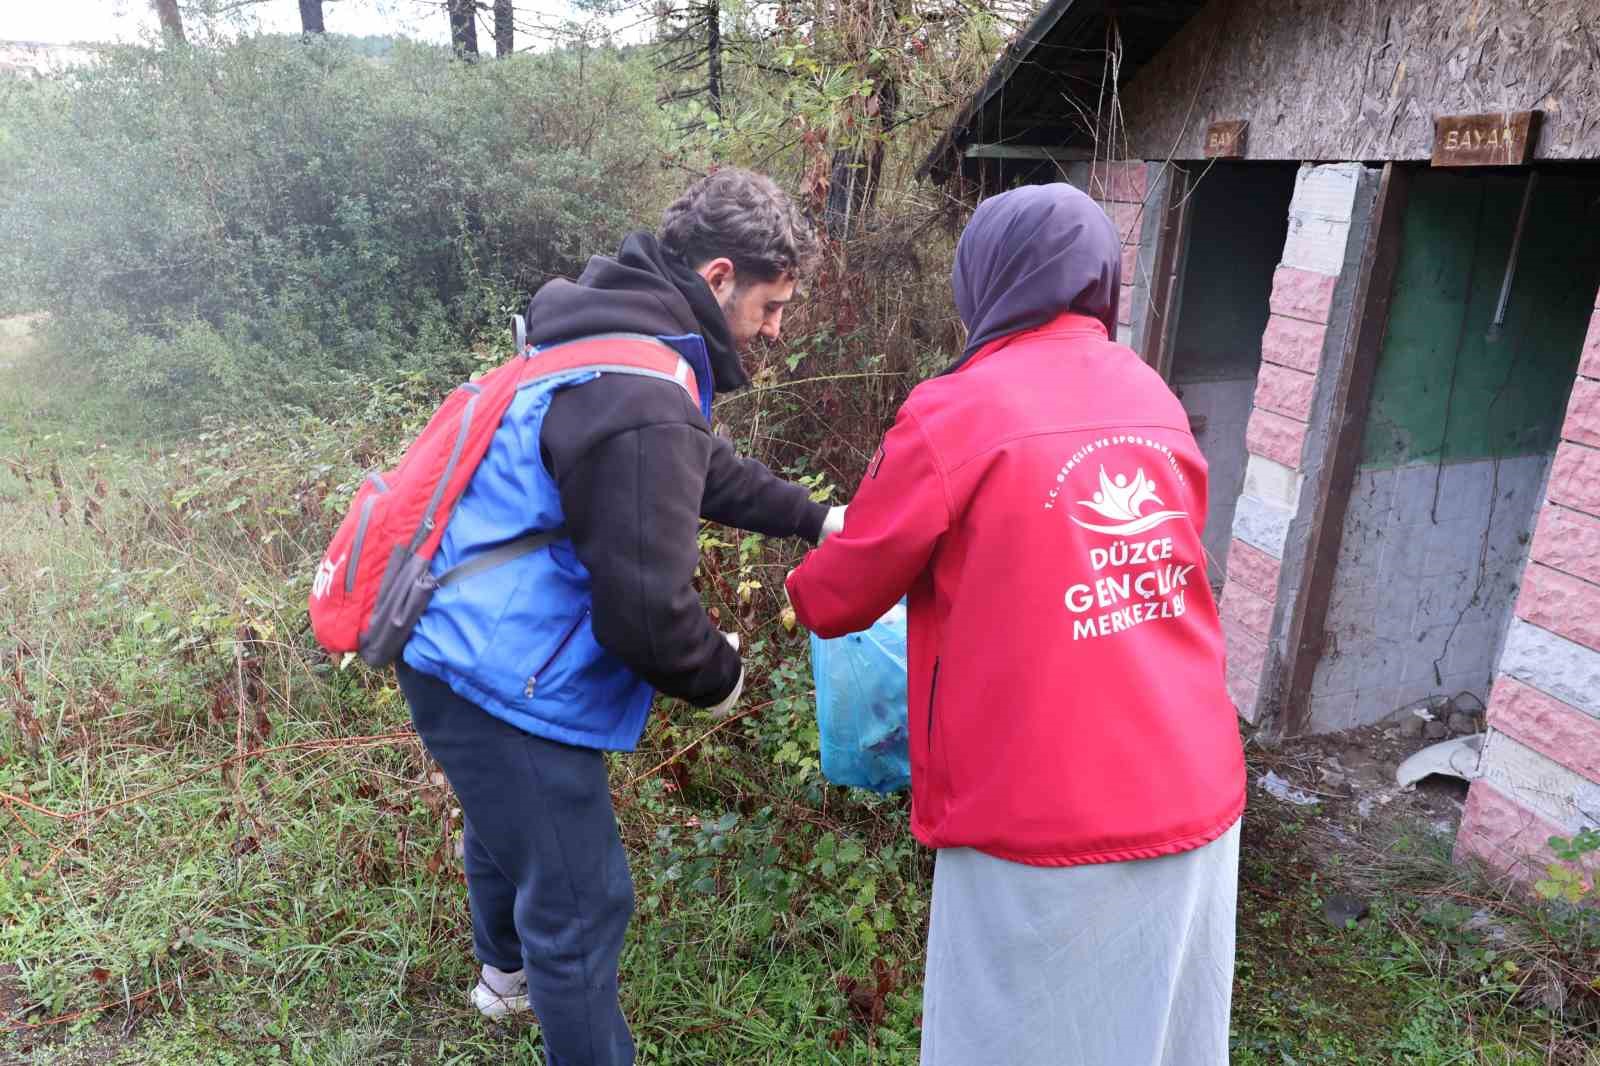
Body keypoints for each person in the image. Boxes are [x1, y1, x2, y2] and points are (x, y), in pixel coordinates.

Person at [784, 182, 1247, 1066]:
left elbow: (834, 599)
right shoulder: (1149, 391)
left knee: (1011, 1040)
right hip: (1197, 791)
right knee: (1154, 1037)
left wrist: (840, 539)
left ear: (983, 281)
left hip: (1044, 817)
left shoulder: (955, 411)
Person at [394, 168, 843, 1065]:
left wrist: (808, 513)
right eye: (772, 304)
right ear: (719, 277)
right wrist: (721, 675)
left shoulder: (614, 332)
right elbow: (643, 616)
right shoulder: (644, 388)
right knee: (581, 899)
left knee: (503, 822)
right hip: (499, 674)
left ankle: (503, 981)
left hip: (446, 638)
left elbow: (685, 463)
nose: (777, 328)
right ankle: (544, 996)